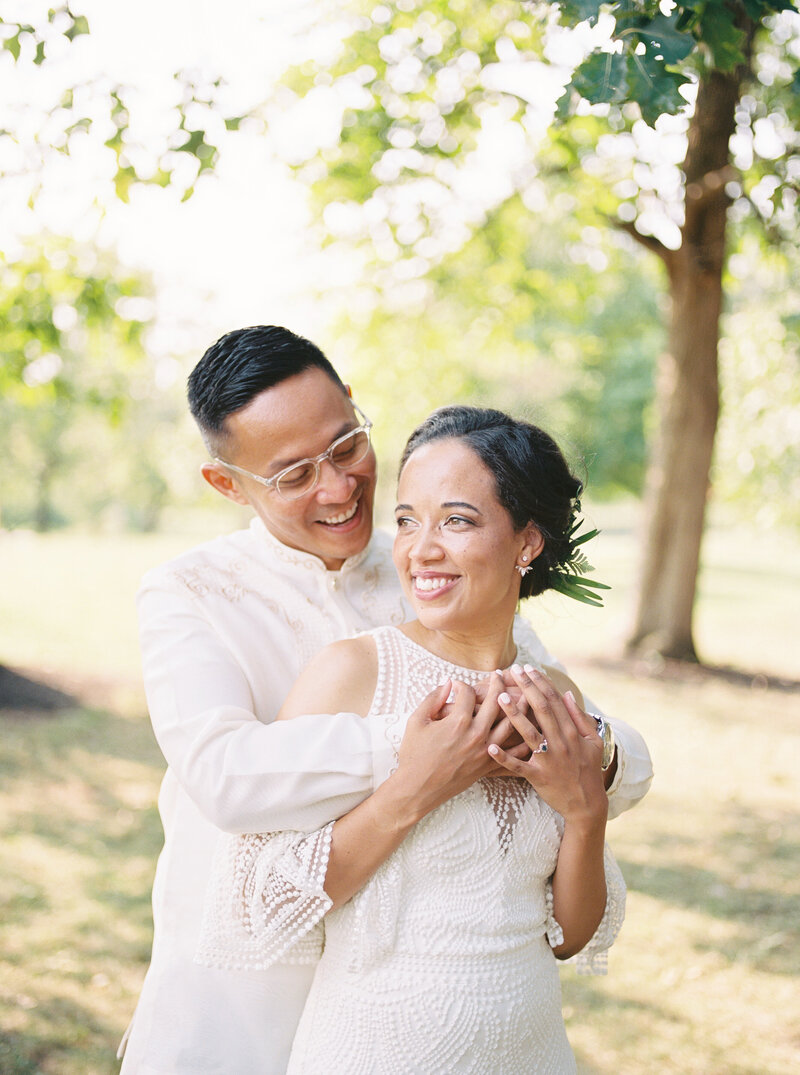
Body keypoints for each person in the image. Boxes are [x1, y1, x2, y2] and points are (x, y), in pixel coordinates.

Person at [120, 326, 652, 1074]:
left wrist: (585, 751)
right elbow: (224, 777)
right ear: (228, 484)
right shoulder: (189, 594)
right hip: (240, 1001)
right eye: (294, 473)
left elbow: (585, 734)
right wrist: (421, 751)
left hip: (434, 1005)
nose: (339, 489)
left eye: (346, 447)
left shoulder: (430, 568)